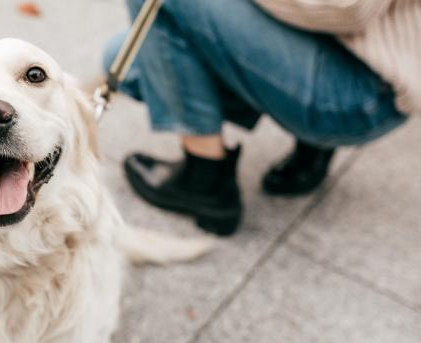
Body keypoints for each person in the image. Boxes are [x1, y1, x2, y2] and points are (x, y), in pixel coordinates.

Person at [105, 0, 420, 236]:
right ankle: (311, 144)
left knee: (159, 14)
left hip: (364, 90)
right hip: (349, 51)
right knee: (127, 57)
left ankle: (205, 181)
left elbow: (347, 7)